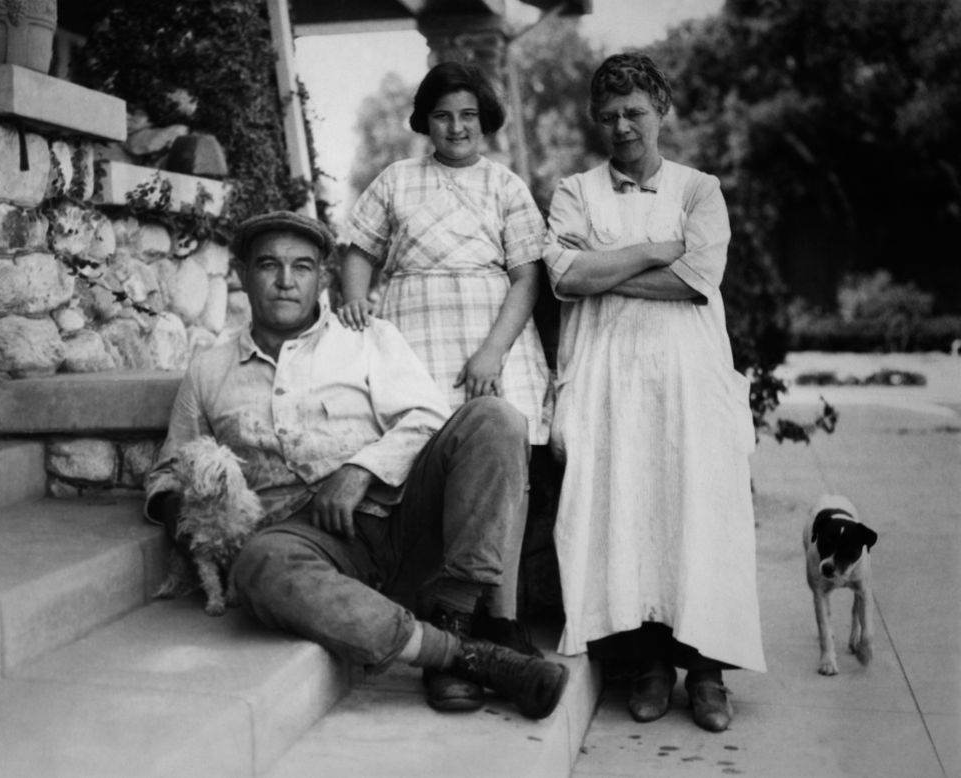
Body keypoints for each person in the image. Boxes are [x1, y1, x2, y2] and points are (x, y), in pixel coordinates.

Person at [145, 210, 569, 719]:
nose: (285, 281)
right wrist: (190, 521)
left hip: (402, 520)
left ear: (322, 277)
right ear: (240, 273)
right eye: (268, 265)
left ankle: (455, 612)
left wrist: (360, 470)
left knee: (495, 419)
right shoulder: (209, 370)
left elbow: (428, 415)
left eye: (302, 267)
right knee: (258, 564)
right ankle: (462, 657)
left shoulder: (367, 337)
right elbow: (169, 469)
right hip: (307, 544)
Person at [542, 53, 765, 733]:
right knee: (624, 512)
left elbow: (697, 278)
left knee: (694, 512)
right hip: (607, 376)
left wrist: (603, 268)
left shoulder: (699, 189)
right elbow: (565, 276)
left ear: (661, 110)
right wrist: (648, 251)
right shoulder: (574, 191)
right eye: (608, 115)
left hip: (687, 378)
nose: (622, 126)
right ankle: (644, 666)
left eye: (634, 112)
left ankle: (704, 672)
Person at [338, 62, 551, 643]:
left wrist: (492, 353)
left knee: (504, 470)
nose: (456, 128)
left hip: (491, 336)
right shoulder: (397, 179)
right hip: (413, 335)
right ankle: (439, 607)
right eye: (443, 116)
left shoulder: (505, 184)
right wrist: (356, 301)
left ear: (485, 122)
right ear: (425, 121)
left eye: (468, 117)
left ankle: (501, 618)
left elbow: (527, 277)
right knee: (422, 462)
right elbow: (358, 248)